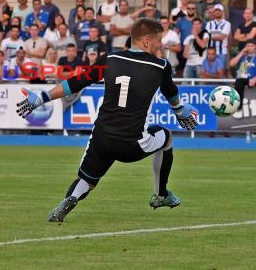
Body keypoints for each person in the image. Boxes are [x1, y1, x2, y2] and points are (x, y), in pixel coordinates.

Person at [16, 18, 199, 223]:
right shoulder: (160, 66)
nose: (161, 45)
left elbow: (77, 82)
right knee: (167, 138)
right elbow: (171, 92)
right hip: (133, 143)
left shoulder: (109, 58)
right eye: (159, 40)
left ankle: (70, 198)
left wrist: (42, 98)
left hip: (102, 138)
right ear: (147, 41)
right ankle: (161, 194)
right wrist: (179, 110)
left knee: (87, 179)